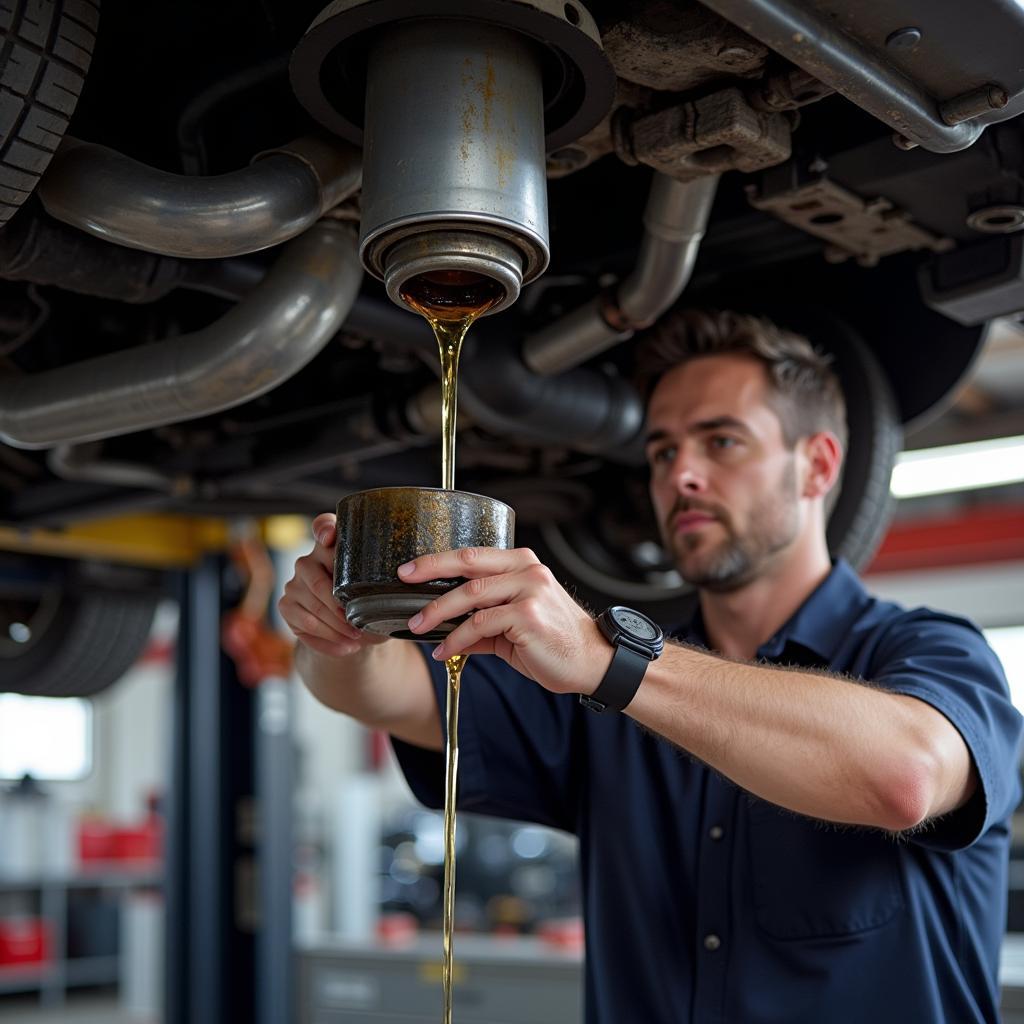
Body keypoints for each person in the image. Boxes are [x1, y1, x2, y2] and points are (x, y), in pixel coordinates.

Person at [280, 308, 1023, 1024]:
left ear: (818, 465)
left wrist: (613, 661)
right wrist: (340, 632)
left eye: (722, 442)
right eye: (665, 451)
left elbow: (903, 778)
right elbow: (389, 694)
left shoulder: (933, 653)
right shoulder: (600, 686)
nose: (682, 477)